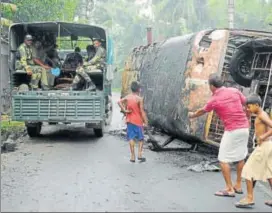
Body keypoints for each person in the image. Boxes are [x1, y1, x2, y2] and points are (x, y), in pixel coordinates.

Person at [189, 73, 250, 197]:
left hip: (232, 130)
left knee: (223, 159)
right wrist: (247, 117)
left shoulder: (214, 100)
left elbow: (202, 111)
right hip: (245, 128)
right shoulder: (235, 91)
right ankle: (238, 185)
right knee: (241, 157)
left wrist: (192, 115)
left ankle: (229, 189)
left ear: (212, 86)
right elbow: (247, 104)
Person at [235, 94, 272, 208]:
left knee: (247, 171)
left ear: (257, 105)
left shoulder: (261, 115)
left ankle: (250, 198)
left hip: (264, 146)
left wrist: (263, 137)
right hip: (268, 145)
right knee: (269, 173)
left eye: (249, 106)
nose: (247, 109)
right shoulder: (261, 114)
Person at [118, 81, 148, 163]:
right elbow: (142, 111)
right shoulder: (139, 99)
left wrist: (124, 110)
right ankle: (140, 155)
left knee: (131, 138)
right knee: (141, 139)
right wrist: (146, 121)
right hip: (138, 122)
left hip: (130, 121)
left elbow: (119, 102)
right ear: (138, 89)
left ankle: (132, 156)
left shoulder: (127, 97)